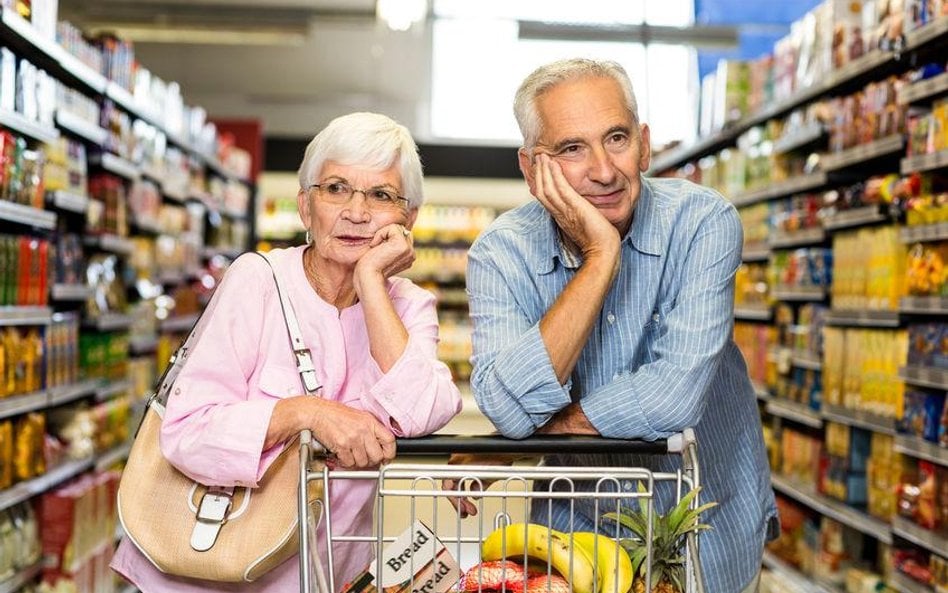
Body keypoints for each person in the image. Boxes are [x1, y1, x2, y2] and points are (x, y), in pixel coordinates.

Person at [450, 58, 778, 593]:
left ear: (644, 145)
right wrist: (601, 255)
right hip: (572, 531)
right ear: (532, 169)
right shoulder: (501, 254)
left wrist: (529, 436)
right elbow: (508, 407)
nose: (603, 171)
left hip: (706, 526)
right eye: (571, 149)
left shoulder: (702, 224)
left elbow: (673, 397)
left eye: (617, 138)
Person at [111, 112, 463, 593]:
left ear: (409, 219)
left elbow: (425, 409)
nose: (356, 212)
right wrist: (307, 413)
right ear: (305, 206)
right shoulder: (256, 280)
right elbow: (188, 431)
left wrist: (371, 283)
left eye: (381, 196)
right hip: (211, 568)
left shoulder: (409, 305)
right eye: (336, 189)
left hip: (326, 569)